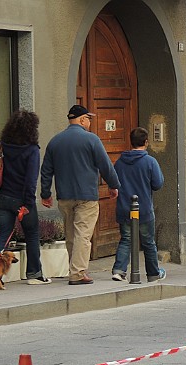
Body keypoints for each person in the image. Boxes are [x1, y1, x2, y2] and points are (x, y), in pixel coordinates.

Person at [40, 105, 120, 285]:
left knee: (71, 235)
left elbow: (46, 170)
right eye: (89, 118)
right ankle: (77, 273)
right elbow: (105, 165)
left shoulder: (55, 141)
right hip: (87, 196)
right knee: (83, 235)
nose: (90, 122)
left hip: (64, 196)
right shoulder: (91, 140)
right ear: (82, 119)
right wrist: (113, 185)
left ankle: (74, 268)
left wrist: (46, 193)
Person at [0, 109, 50, 284]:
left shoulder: (2, 145)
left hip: (3, 198)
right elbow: (31, 181)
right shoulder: (31, 150)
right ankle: (34, 274)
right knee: (32, 234)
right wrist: (28, 205)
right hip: (22, 200)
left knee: (2, 235)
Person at [110, 127, 166, 283]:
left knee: (126, 239)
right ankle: (153, 273)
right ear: (146, 142)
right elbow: (158, 183)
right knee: (148, 242)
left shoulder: (120, 162)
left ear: (131, 141)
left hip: (124, 208)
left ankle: (119, 270)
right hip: (144, 209)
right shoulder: (150, 162)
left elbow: (114, 181)